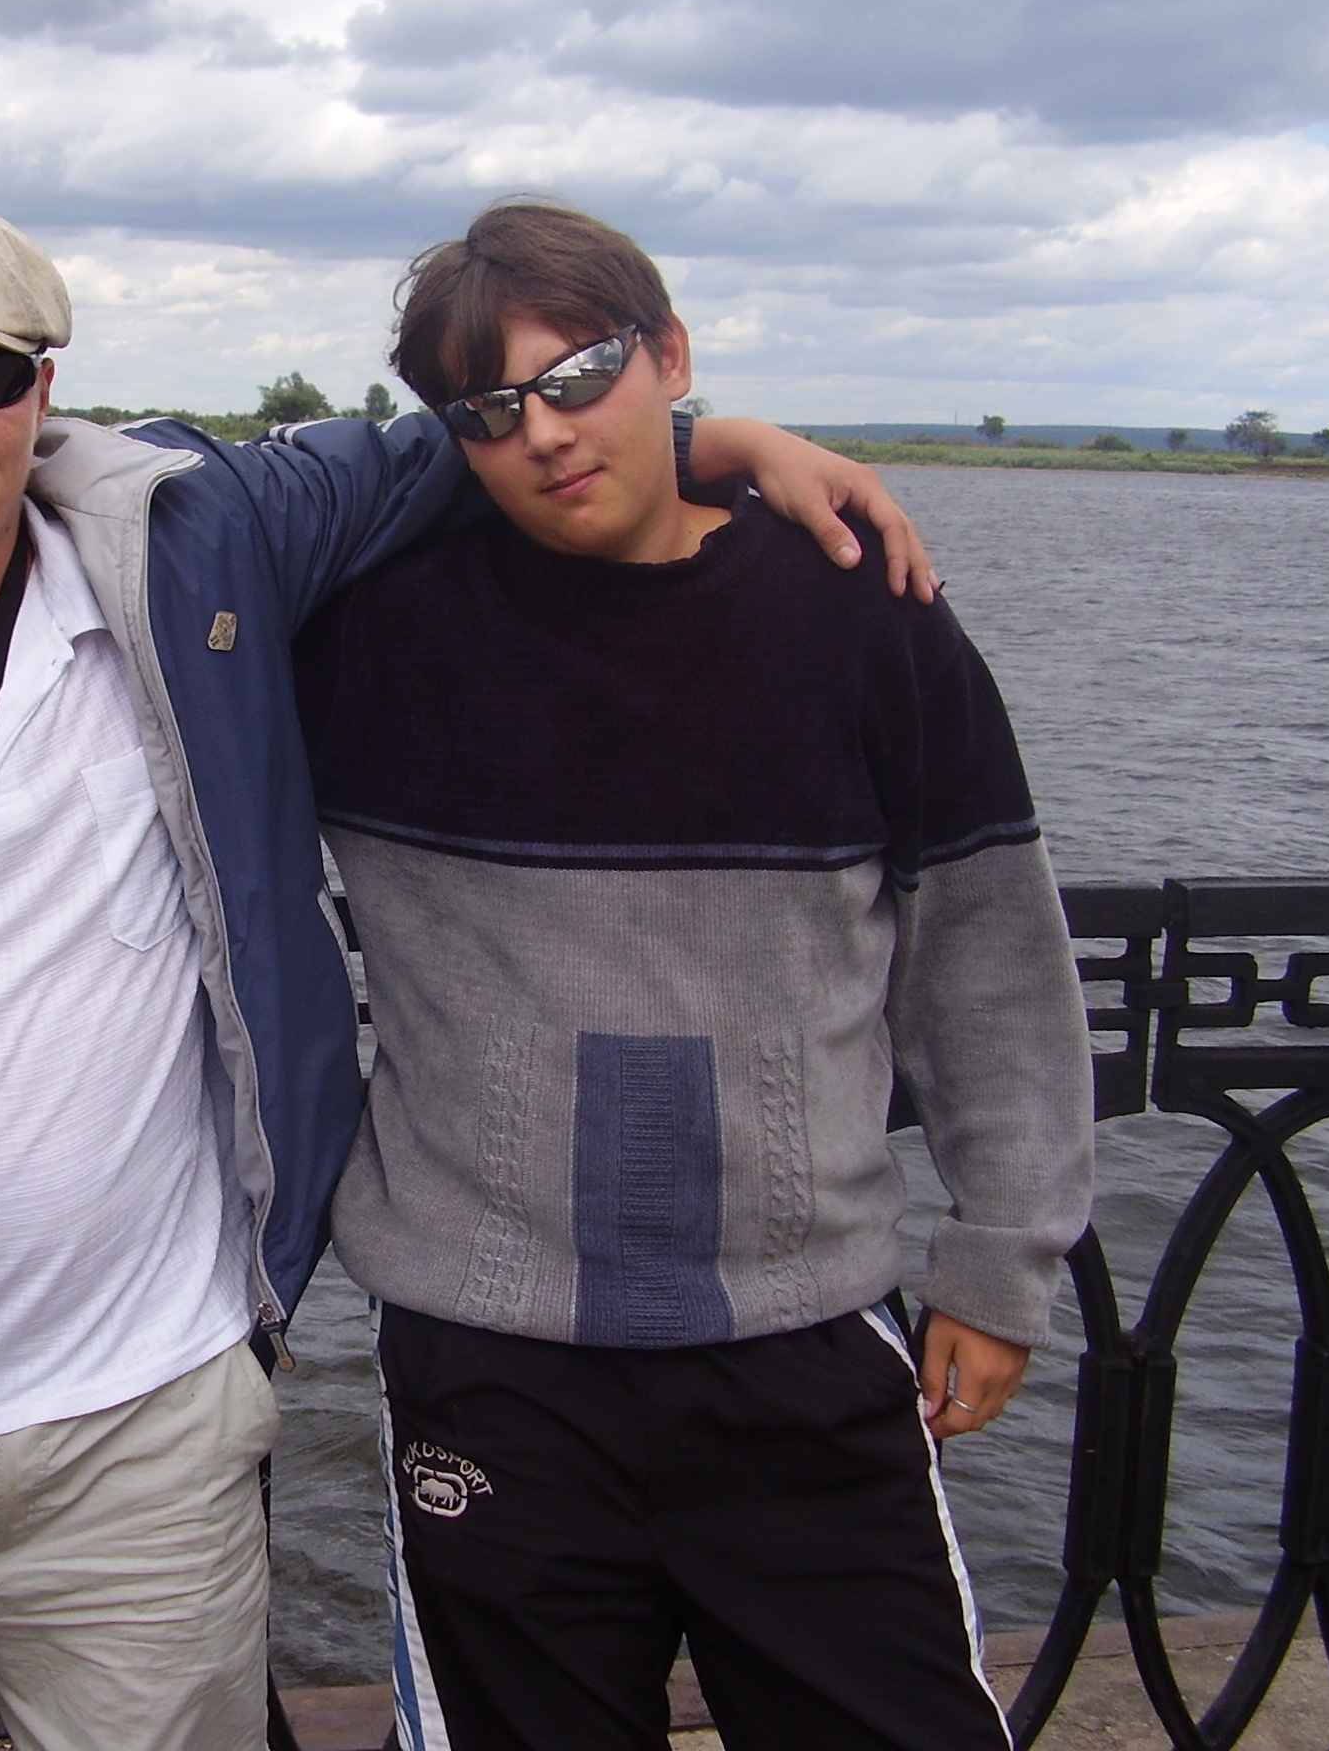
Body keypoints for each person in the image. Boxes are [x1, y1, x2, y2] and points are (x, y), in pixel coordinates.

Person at [0, 196, 930, 1751]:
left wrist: (722, 441)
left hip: (154, 1431)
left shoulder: (198, 550)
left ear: (42, 388)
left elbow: (487, 441)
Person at [289, 201, 1095, 1751]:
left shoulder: (861, 611)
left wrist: (1003, 1259)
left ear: (669, 352)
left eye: (580, 376)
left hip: (802, 1345)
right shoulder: (366, 629)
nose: (544, 433)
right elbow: (131, 523)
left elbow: (986, 956)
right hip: (490, 1363)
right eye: (489, 411)